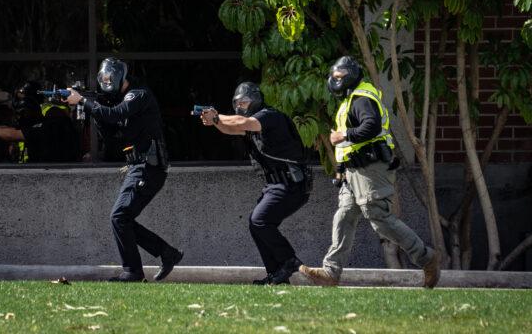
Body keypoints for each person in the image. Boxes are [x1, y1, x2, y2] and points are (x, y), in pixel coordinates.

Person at [298, 56, 441, 288]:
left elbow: (371, 126)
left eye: (339, 76)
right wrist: (341, 170)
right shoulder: (350, 99)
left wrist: (342, 136)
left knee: (380, 219)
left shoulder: (362, 98)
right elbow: (350, 146)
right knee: (343, 216)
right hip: (353, 172)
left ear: (350, 76)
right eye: (334, 76)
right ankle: (331, 272)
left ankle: (427, 258)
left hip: (370, 169)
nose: (336, 81)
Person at [64, 57, 183, 282]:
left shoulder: (138, 94)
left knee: (119, 217)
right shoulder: (122, 100)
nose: (107, 83)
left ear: (120, 77)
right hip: (140, 166)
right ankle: (165, 254)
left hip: (149, 166)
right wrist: (89, 107)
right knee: (122, 218)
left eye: (110, 79)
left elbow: (116, 114)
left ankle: (134, 271)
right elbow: (112, 136)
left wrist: (84, 101)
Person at [199, 82, 312, 285]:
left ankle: (289, 260)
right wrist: (215, 122)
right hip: (275, 185)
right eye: (237, 103)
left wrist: (216, 116)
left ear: (256, 100)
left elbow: (242, 123)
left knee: (260, 221)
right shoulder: (252, 123)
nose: (241, 106)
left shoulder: (268, 116)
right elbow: (230, 129)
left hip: (292, 184)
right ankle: (277, 275)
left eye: (245, 102)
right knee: (256, 224)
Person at [0, 81, 79, 163]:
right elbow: (16, 130)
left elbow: (14, 134)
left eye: (24, 111)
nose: (21, 116)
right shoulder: (41, 120)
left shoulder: (49, 119)